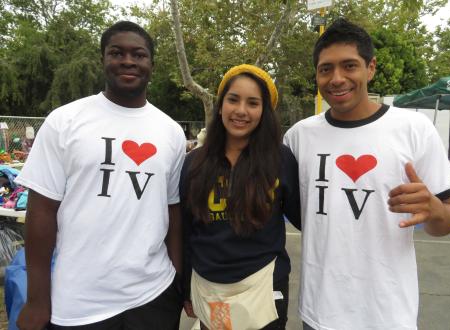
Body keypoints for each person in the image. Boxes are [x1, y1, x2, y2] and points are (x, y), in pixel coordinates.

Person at [283, 18, 450, 330]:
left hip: (388, 315)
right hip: (319, 314)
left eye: (349, 66)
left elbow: (445, 223)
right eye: (326, 69)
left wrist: (433, 209)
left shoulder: (414, 130)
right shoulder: (298, 137)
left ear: (371, 67)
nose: (337, 78)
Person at [15, 21, 186, 329]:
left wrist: (179, 281)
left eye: (139, 54)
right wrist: (37, 300)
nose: (128, 61)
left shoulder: (170, 131)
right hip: (79, 302)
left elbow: (172, 210)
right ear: (103, 60)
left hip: (154, 294)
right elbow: (40, 213)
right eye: (116, 52)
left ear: (151, 64)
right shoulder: (65, 121)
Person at [179, 64, 301, 330]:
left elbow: (307, 219)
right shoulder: (194, 163)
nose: (241, 111)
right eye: (233, 99)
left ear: (264, 112)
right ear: (221, 105)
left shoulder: (281, 160)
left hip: (263, 285)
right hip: (209, 287)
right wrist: (185, 286)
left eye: (253, 103)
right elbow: (187, 230)